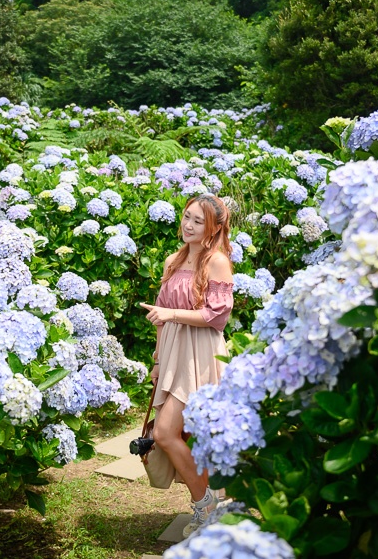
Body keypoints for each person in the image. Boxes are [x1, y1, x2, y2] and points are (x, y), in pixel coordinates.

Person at [139, 193, 234, 538]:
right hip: (175, 354)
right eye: (186, 216)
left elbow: (216, 317)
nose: (188, 225)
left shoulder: (217, 262)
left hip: (202, 355)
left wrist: (171, 314)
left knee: (166, 432)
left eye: (197, 221)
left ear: (212, 229)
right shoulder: (172, 261)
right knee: (181, 434)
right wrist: (158, 361)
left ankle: (206, 505)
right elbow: (160, 317)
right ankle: (212, 504)